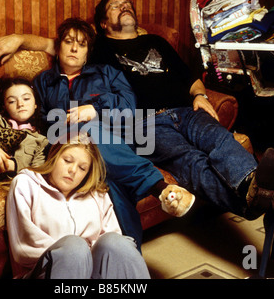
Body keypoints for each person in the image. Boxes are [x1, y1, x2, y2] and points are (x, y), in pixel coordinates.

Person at [0, 0, 274, 234]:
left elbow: (189, 76)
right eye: (116, 7)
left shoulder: (157, 40)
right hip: (145, 125)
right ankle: (256, 197)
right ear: (104, 24)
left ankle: (255, 190)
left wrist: (200, 95)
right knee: (190, 161)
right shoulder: (100, 47)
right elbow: (60, 45)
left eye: (126, 4)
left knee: (217, 138)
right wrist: (20, 39)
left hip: (185, 111)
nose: (125, 7)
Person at [33, 17, 195, 248]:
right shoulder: (43, 81)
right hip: (66, 144)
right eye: (68, 41)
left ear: (88, 52)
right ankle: (158, 188)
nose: (74, 48)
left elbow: (129, 107)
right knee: (88, 137)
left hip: (111, 142)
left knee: (108, 177)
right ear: (58, 47)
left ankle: (129, 253)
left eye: (81, 44)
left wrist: (94, 109)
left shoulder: (106, 73)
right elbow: (39, 120)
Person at [6, 132, 150, 279]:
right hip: (41, 273)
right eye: (67, 160)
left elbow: (113, 249)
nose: (73, 170)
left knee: (117, 242)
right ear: (54, 156)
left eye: (82, 168)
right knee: (75, 247)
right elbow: (23, 249)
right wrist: (78, 254)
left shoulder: (98, 195)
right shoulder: (26, 183)